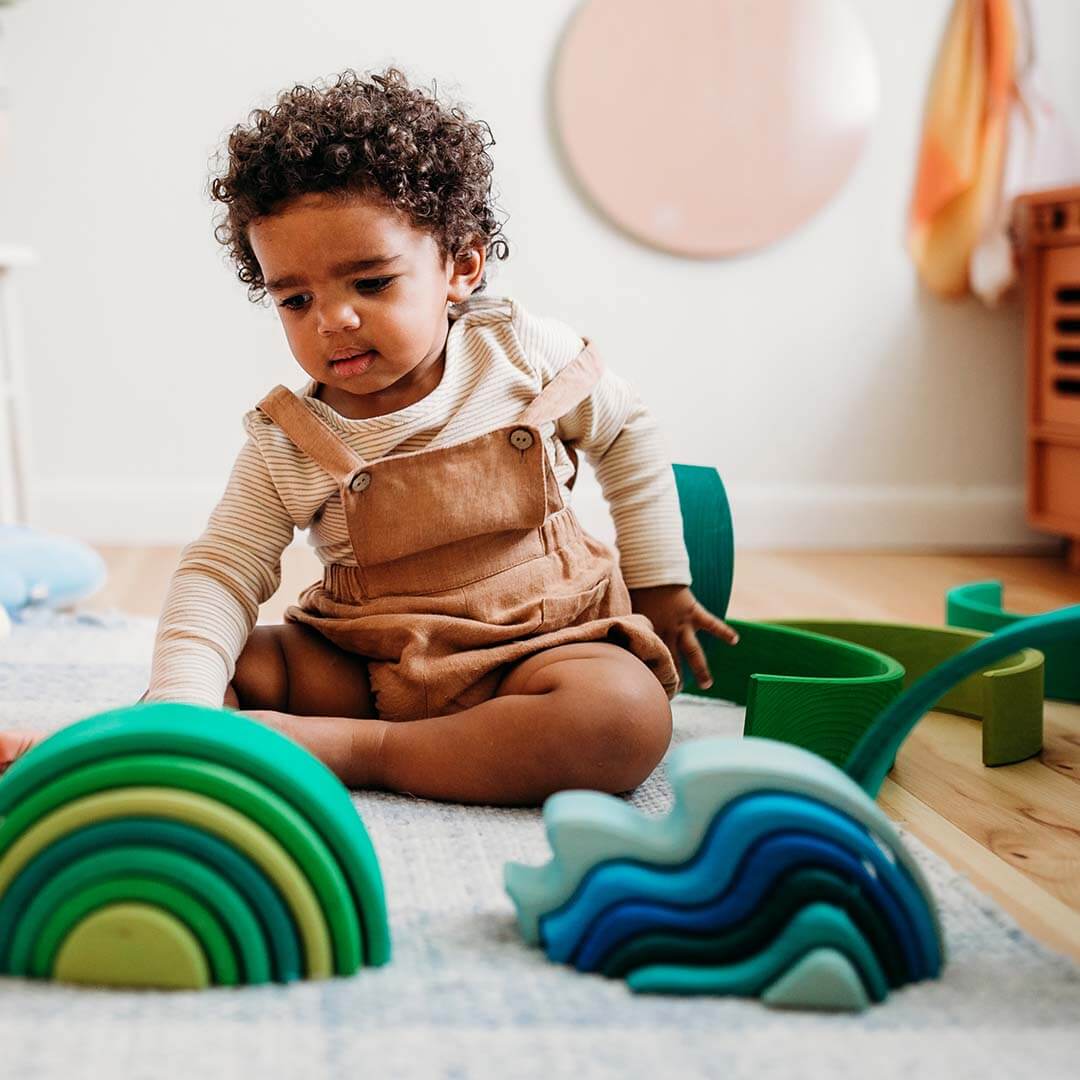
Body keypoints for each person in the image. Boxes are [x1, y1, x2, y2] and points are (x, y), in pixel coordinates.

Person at [0, 68, 737, 803]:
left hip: (543, 647)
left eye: (371, 283)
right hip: (372, 663)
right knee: (230, 669)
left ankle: (357, 753)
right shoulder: (288, 439)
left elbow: (627, 428)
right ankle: (123, 749)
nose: (333, 319)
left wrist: (661, 583)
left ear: (461, 266)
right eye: (296, 298)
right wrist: (183, 694)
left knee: (623, 719)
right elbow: (221, 569)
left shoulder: (518, 354)